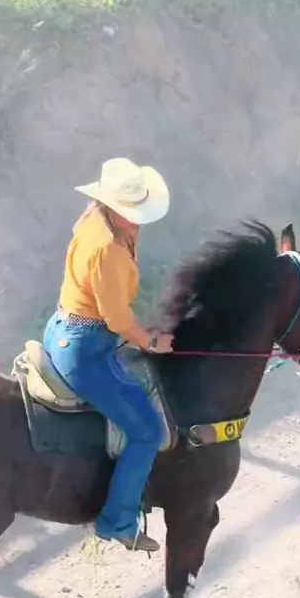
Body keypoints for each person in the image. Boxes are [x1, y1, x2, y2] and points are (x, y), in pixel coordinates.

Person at [43, 158, 174, 553]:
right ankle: (117, 522)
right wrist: (150, 342)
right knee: (147, 432)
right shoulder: (109, 249)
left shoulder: (95, 221)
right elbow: (117, 319)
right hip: (86, 349)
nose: (139, 221)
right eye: (133, 212)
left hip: (65, 328)